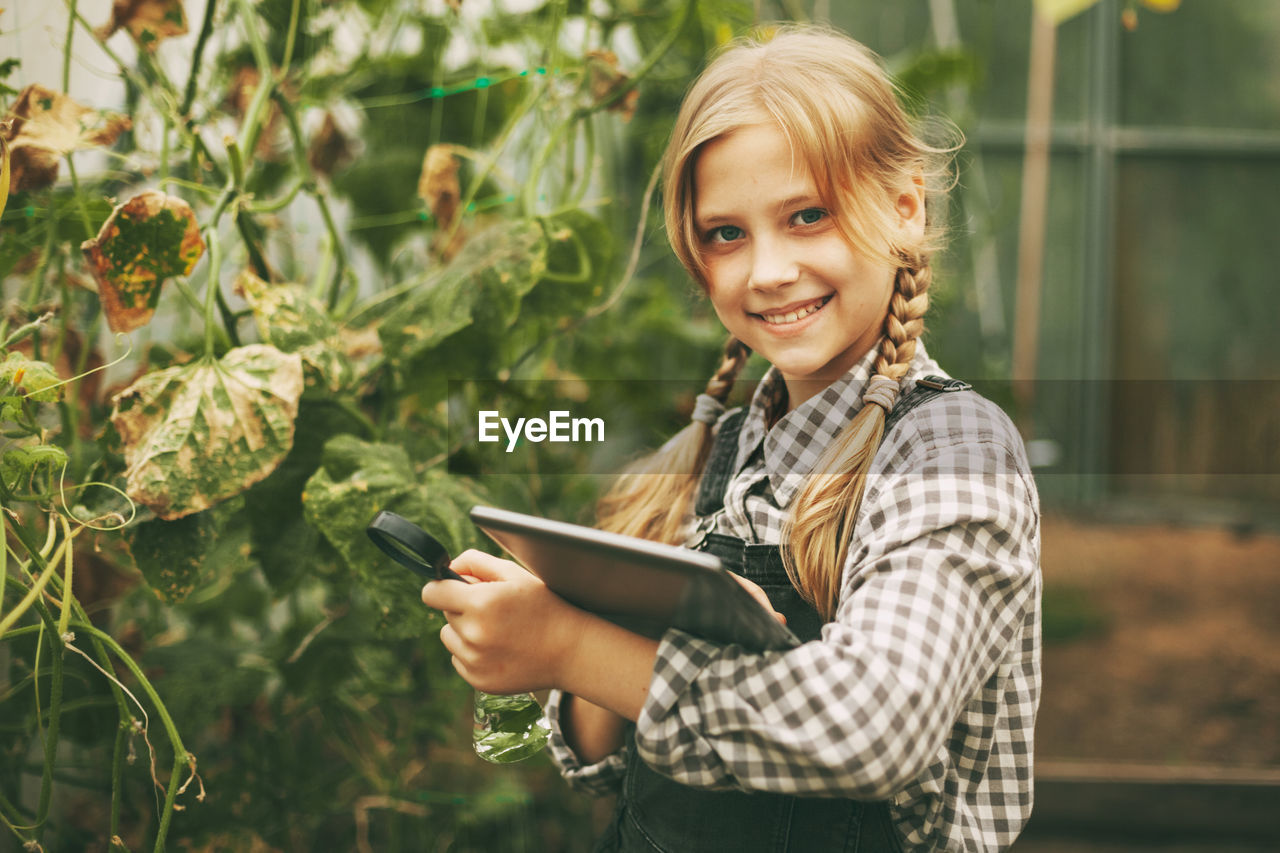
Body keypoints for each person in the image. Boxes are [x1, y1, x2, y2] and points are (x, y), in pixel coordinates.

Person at [422, 24, 1041, 852]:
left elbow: (871, 730)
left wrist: (571, 647)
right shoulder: (712, 460)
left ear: (903, 207)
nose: (767, 269)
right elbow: (609, 764)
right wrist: (568, 621)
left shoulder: (950, 449)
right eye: (728, 233)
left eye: (807, 215)